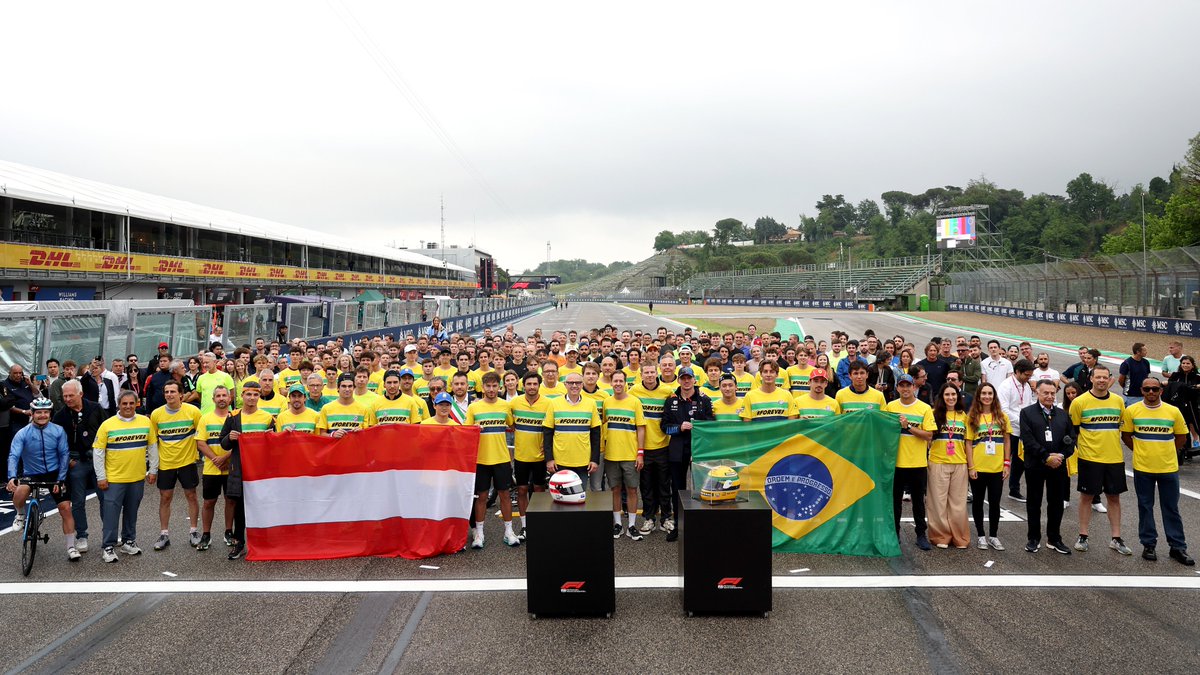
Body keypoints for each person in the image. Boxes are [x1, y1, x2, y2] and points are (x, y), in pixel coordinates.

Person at [1119, 376, 1194, 565]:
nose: (1151, 392)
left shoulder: (1173, 411)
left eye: (1154, 389)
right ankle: (1148, 544)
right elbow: (1126, 435)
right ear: (1142, 391)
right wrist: (1141, 451)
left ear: (1161, 390)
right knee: (1145, 507)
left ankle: (1177, 547)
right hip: (1143, 468)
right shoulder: (1132, 411)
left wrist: (1167, 452)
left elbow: (1181, 437)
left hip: (1168, 468)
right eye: (1147, 389)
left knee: (1171, 508)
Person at [6, 397, 80, 561]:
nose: (42, 415)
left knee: (66, 508)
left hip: (55, 473)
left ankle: (71, 547)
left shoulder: (58, 431)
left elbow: (64, 455)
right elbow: (13, 456)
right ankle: (20, 514)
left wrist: (60, 480)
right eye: (39, 412)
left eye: (46, 412)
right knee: (20, 490)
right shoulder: (23, 433)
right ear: (32, 413)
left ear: (50, 413)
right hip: (31, 472)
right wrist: (12, 477)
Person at [1069, 365, 1131, 555]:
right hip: (1089, 458)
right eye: (1098, 377)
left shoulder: (1118, 401)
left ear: (1109, 379)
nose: (1102, 381)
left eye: (1105, 377)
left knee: (1114, 498)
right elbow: (1073, 431)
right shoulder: (1079, 402)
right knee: (1086, 497)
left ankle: (1116, 538)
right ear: (1091, 379)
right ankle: (1083, 535)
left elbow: (1122, 428)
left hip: (1114, 458)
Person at [94, 390, 159, 563]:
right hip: (114, 479)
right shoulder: (107, 425)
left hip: (136, 477)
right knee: (111, 515)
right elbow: (98, 452)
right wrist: (101, 476)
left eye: (131, 403)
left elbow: (152, 447)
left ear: (136, 404)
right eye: (124, 403)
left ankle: (129, 541)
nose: (128, 406)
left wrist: (153, 470)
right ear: (118, 405)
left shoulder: (146, 422)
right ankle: (108, 546)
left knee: (132, 512)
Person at [219, 381, 277, 560]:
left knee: (264, 505)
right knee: (239, 506)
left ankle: (265, 541)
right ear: (242, 396)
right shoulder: (234, 416)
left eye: (256, 395)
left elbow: (276, 445)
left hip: (262, 470)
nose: (252, 398)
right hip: (241, 468)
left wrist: (271, 437)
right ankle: (239, 541)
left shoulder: (267, 417)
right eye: (248, 394)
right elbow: (222, 442)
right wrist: (230, 437)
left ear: (260, 396)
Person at [1020, 379, 1074, 554]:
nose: (1050, 396)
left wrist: (1061, 455)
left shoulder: (1063, 414)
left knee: (1056, 503)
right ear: (1037, 393)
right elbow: (1027, 440)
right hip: (1035, 464)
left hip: (1058, 466)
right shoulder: (1027, 413)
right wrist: (1045, 456)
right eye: (1046, 393)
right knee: (1034, 502)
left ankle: (1054, 538)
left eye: (1052, 393)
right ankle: (1033, 538)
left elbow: (1071, 439)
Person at [466, 372, 519, 549]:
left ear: (500, 387)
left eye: (494, 386)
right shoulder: (474, 408)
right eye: (487, 386)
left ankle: (509, 531)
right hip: (481, 460)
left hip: (501, 458)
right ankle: (479, 533)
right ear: (482, 387)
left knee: (504, 494)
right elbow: (466, 431)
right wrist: (475, 429)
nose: (491, 389)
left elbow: (513, 425)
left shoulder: (505, 406)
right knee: (481, 497)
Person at [149, 380, 203, 550]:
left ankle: (194, 531)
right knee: (165, 498)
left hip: (187, 462)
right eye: (167, 392)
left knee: (191, 496)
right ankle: (164, 534)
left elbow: (201, 435)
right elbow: (153, 442)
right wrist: (153, 467)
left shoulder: (193, 411)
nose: (169, 395)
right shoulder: (156, 415)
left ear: (181, 394)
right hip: (166, 463)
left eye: (173, 391)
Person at [53, 379, 105, 554]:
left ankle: (109, 533)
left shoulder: (95, 408)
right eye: (65, 396)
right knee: (77, 502)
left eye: (70, 395)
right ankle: (82, 535)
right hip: (76, 463)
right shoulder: (60, 416)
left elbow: (107, 431)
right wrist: (68, 462)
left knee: (105, 499)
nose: (67, 399)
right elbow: (56, 442)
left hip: (97, 460)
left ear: (80, 394)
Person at [661, 368, 713, 542]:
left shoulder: (704, 400)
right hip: (676, 450)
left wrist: (697, 427)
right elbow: (664, 427)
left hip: (698, 450)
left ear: (694, 380)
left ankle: (701, 525)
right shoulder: (671, 401)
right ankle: (678, 525)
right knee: (678, 489)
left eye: (689, 378)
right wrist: (679, 427)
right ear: (679, 380)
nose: (686, 381)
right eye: (683, 378)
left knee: (702, 488)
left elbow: (711, 425)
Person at [886, 373, 934, 550]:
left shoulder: (924, 408)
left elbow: (929, 435)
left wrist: (908, 427)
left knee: (918, 502)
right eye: (902, 385)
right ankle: (895, 532)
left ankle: (921, 534)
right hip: (896, 463)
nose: (905, 389)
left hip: (917, 463)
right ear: (897, 388)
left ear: (914, 387)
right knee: (895, 501)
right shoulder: (890, 406)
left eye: (909, 385)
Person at [966, 383, 1011, 551]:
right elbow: (968, 444)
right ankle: (981, 536)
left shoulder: (1002, 417)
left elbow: (1007, 441)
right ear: (978, 396)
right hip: (978, 467)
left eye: (990, 393)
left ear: (994, 396)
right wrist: (971, 466)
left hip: (997, 468)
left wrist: (1007, 463)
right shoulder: (972, 417)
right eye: (983, 393)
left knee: (995, 502)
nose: (987, 396)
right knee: (977, 502)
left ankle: (993, 535)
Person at [630, 362, 674, 534]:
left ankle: (666, 518)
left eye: (652, 372)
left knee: (664, 484)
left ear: (657, 373)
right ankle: (649, 518)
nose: (649, 375)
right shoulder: (633, 391)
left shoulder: (666, 391)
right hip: (642, 447)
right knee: (646, 485)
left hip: (663, 445)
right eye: (646, 372)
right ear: (641, 375)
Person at [926, 383, 971, 549]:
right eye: (947, 395)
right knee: (937, 502)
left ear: (958, 397)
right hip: (938, 462)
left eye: (953, 395)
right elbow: (927, 439)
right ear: (941, 397)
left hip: (960, 463)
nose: (950, 398)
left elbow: (968, 442)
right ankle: (940, 536)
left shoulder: (963, 416)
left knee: (958, 504)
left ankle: (960, 537)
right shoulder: (933, 414)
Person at [510, 372, 551, 540]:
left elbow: (551, 428)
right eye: (529, 384)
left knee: (539, 490)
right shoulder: (514, 403)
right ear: (523, 386)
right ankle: (525, 526)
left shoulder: (548, 403)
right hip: (521, 456)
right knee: (521, 490)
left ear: (539, 385)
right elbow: (510, 423)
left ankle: (539, 524)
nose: (532, 387)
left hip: (540, 457)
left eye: (535, 384)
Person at [196, 385, 234, 550]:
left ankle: (228, 532)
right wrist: (215, 459)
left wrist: (225, 458)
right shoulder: (205, 418)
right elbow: (200, 442)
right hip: (211, 467)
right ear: (213, 400)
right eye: (218, 396)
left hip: (231, 466)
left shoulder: (235, 417)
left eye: (224, 395)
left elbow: (240, 442)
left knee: (230, 501)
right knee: (209, 502)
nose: (221, 398)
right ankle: (206, 534)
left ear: (229, 398)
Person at [995, 359, 1035, 503]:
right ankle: (995, 488)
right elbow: (1003, 409)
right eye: (1026, 375)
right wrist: (1023, 421)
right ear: (1017, 372)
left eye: (1030, 375)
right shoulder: (1006, 386)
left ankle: (1014, 489)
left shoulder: (1027, 385)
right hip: (1009, 430)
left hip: (1023, 430)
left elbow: (1029, 404)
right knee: (1003, 460)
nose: (1028, 378)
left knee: (1020, 462)